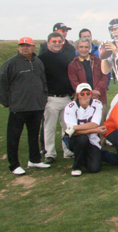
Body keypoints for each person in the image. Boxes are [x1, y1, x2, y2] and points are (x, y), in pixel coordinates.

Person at [0, 37, 51, 175]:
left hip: (36, 106)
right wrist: (5, 101)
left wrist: (43, 98)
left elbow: (43, 82)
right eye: (22, 45)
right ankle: (14, 164)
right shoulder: (11, 63)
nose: (24, 48)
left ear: (33, 47)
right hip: (19, 107)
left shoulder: (38, 62)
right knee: (14, 137)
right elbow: (0, 82)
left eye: (28, 45)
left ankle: (34, 160)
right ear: (18, 47)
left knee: (34, 135)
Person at [63, 83, 118, 176]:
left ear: (91, 94)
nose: (85, 96)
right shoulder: (71, 107)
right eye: (82, 94)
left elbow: (94, 124)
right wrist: (95, 131)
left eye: (88, 93)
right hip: (75, 140)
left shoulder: (97, 104)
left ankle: (92, 155)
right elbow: (74, 133)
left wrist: (75, 127)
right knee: (82, 138)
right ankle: (76, 167)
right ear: (77, 95)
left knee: (94, 168)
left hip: (92, 140)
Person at [39, 32, 76, 163]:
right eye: (54, 41)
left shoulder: (66, 58)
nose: (56, 44)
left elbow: (69, 77)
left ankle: (67, 151)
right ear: (48, 42)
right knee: (49, 128)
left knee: (67, 127)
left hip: (66, 98)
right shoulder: (42, 59)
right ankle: (50, 153)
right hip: (51, 98)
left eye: (59, 41)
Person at [68, 38, 109, 121]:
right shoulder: (73, 65)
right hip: (83, 100)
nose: (84, 50)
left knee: (100, 126)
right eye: (81, 47)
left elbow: (104, 77)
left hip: (99, 98)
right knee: (85, 126)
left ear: (89, 48)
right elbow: (74, 82)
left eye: (86, 47)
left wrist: (97, 91)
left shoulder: (98, 62)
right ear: (77, 48)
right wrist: (89, 93)